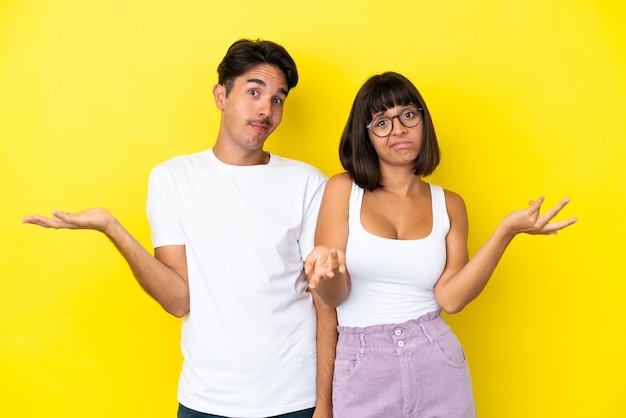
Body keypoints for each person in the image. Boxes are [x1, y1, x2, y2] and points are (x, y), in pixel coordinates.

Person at [23, 39, 336, 418]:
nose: (265, 109)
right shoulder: (173, 179)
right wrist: (112, 228)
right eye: (254, 91)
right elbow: (178, 300)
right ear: (221, 95)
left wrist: (325, 403)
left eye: (277, 99)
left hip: (294, 399)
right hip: (207, 400)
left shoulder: (306, 182)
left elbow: (326, 302)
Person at [304, 71, 577, 418]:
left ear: (422, 122)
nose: (398, 128)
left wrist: (506, 232)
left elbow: (451, 298)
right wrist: (326, 279)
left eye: (407, 115)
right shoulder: (343, 190)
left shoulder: (449, 204)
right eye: (381, 122)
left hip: (436, 359)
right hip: (361, 366)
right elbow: (334, 298)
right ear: (366, 136)